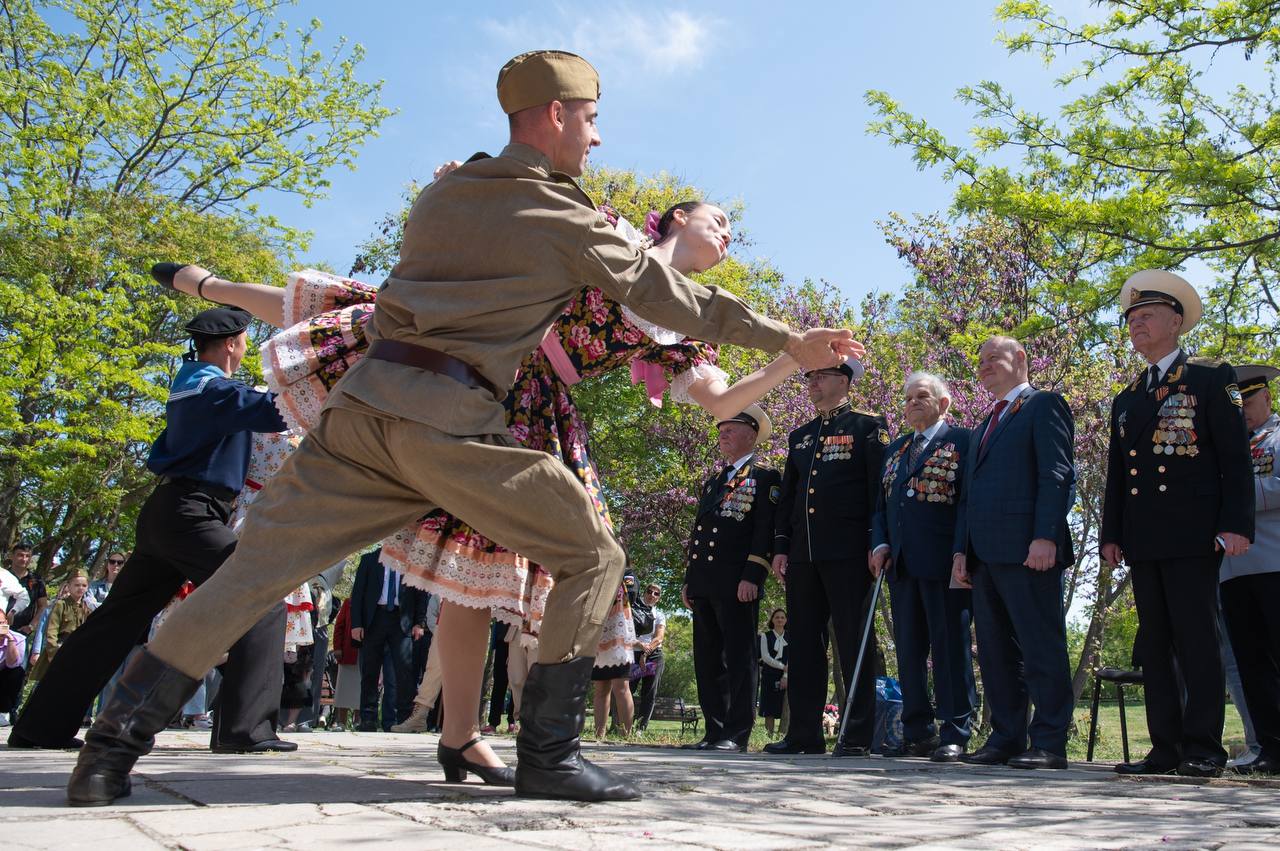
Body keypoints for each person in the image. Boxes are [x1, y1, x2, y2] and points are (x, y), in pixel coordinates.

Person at [69, 49, 862, 806]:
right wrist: (789, 341)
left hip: (362, 409)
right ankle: (548, 755)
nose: (598, 135)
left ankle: (108, 751)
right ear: (553, 115)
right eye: (590, 119)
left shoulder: (444, 192)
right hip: (456, 421)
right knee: (591, 552)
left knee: (249, 574)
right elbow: (678, 302)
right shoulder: (567, 214)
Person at [11, 307, 295, 759]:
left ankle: (42, 724)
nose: (244, 350)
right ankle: (244, 729)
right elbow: (273, 412)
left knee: (115, 622)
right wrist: (324, 379)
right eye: (244, 342)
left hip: (173, 512)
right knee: (260, 597)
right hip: (191, 513)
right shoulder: (211, 388)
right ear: (231, 344)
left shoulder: (193, 383)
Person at [1100, 272, 1254, 779]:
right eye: (1130, 319)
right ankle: (1164, 747)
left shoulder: (1211, 378)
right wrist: (1111, 534)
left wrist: (1235, 523)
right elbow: (1119, 477)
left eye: (1145, 316)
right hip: (1144, 537)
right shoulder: (1128, 400)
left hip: (1193, 532)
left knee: (1197, 639)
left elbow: (1234, 460)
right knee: (1155, 641)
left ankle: (1203, 746)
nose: (1134, 325)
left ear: (1176, 322)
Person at [951, 336, 1076, 771]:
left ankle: (1049, 741)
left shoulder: (1044, 405)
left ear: (1020, 359)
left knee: (1041, 646)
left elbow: (1057, 474)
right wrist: (961, 552)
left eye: (992, 358)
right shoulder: (983, 423)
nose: (983, 366)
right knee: (995, 652)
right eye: (980, 361)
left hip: (1029, 550)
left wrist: (1047, 537)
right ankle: (1006, 736)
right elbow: (968, 496)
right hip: (984, 555)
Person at [765, 362, 888, 758]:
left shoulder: (868, 426)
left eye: (820, 376)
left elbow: (877, 490)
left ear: (843, 380)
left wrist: (876, 541)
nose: (812, 383)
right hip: (803, 554)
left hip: (850, 552)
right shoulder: (800, 436)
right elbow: (789, 497)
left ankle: (855, 734)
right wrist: (781, 546)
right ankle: (803, 733)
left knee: (854, 640)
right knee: (803, 643)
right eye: (809, 377)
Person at [870, 372, 977, 762]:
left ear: (943, 403)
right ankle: (917, 731)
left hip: (946, 565)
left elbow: (968, 503)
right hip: (901, 567)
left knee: (950, 649)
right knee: (909, 652)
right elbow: (880, 507)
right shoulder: (895, 450)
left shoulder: (963, 441)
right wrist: (879, 543)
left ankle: (955, 730)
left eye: (922, 396)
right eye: (908, 398)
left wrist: (962, 551)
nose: (913, 402)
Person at [683, 404, 780, 752]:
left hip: (738, 582)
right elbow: (700, 532)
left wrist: (753, 574)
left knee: (738, 657)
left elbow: (764, 531)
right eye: (721, 427)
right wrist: (689, 580)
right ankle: (714, 729)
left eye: (731, 427)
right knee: (708, 659)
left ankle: (736, 733)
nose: (722, 433)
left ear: (751, 435)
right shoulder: (715, 480)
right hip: (705, 581)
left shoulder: (765, 477)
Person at [1218, 364, 1280, 776]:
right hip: (1232, 570)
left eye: (1251, 401)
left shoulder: (1276, 438)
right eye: (1236, 405)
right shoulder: (1225, 447)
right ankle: (1270, 747)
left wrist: (1228, 501)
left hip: (1274, 562)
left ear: (1268, 399)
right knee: (1250, 663)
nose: (1244, 411)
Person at [349, 548, 428, 732]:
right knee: (370, 670)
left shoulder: (412, 561)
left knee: (404, 673)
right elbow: (358, 593)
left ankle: (403, 719)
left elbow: (420, 593)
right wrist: (356, 624)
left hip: (402, 622)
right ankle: (368, 719)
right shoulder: (369, 560)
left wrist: (419, 623)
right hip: (374, 619)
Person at [30, 571, 91, 681]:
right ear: (69, 586)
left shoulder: (86, 608)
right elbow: (52, 631)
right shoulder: (61, 605)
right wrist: (53, 653)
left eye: (84, 585)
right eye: (76, 585)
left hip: (75, 652)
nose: (80, 588)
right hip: (59, 649)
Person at [630, 582, 666, 731]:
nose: (652, 595)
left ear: (658, 598)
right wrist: (639, 648)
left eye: (656, 594)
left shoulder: (659, 615)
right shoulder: (632, 610)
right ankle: (622, 725)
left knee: (649, 692)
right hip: (633, 653)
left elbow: (658, 638)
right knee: (627, 689)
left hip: (653, 656)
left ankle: (641, 728)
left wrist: (645, 653)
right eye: (650, 591)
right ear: (644, 593)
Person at [7, 542, 46, 640]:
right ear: (12, 556)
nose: (24, 559)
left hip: (21, 633)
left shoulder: (37, 580)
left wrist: (31, 626)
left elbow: (43, 606)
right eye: (20, 555)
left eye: (27, 556)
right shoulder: (3, 576)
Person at [758, 609, 788, 738]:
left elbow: (793, 656)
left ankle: (783, 736)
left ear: (786, 620)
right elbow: (765, 657)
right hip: (769, 675)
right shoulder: (765, 636)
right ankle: (768, 737)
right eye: (777, 617)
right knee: (769, 708)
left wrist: (785, 675)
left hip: (787, 676)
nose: (780, 620)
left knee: (785, 707)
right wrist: (782, 667)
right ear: (772, 620)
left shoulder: (791, 636)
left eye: (782, 617)